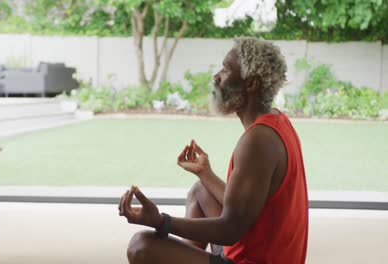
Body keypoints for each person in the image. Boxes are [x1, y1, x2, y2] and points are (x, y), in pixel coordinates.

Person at [118, 37, 308, 264]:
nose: (216, 76)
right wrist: (205, 173)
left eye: (226, 70)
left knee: (141, 246)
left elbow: (231, 229)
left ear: (251, 84)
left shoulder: (258, 140)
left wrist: (160, 221)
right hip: (250, 251)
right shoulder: (277, 121)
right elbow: (245, 209)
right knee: (202, 190)